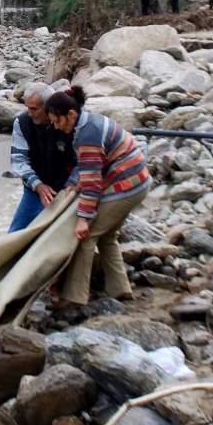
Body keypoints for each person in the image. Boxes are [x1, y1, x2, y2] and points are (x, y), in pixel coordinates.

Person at [45, 86, 152, 307]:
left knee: (87, 236)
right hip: (137, 179)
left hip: (126, 184)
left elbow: (92, 183)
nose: (56, 126)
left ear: (71, 114)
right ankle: (120, 289)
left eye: (58, 121)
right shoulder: (88, 122)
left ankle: (74, 296)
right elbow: (87, 167)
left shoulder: (88, 134)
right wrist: (75, 183)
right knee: (107, 234)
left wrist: (83, 219)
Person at [7, 82, 78, 233]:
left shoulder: (67, 123)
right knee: (15, 234)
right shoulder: (22, 123)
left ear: (48, 107)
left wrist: (70, 186)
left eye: (34, 108)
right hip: (35, 188)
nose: (30, 113)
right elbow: (19, 160)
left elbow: (83, 162)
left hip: (66, 188)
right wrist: (38, 185)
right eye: (27, 107)